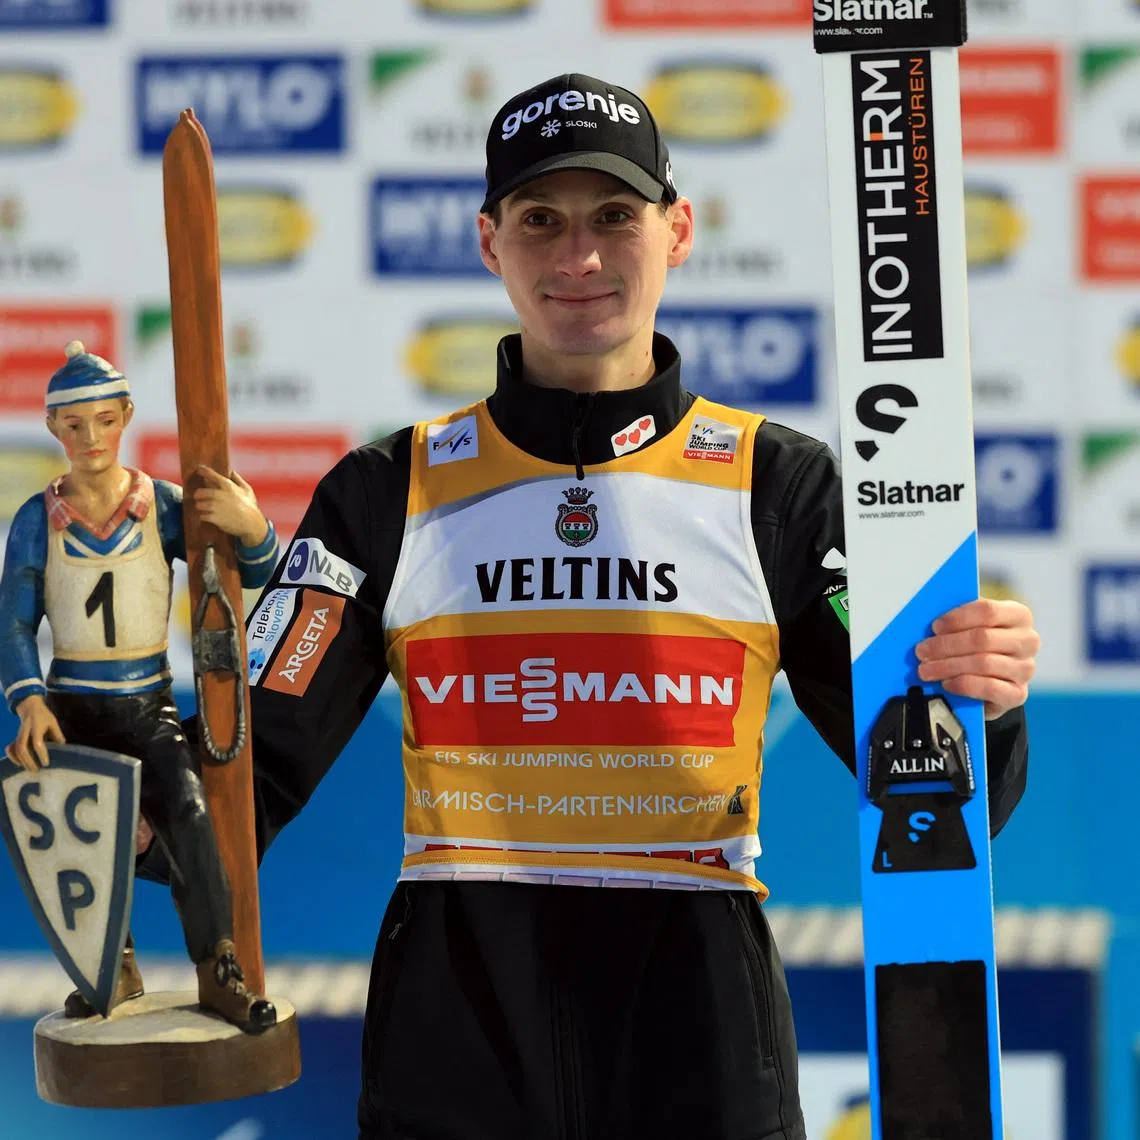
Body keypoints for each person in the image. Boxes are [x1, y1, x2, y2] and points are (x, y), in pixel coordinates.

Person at [170, 74, 1034, 1137]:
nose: (578, 259)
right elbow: (242, 777)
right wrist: (106, 747)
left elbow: (936, 792)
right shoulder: (385, 491)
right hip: (459, 1043)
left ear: (678, 229)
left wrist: (980, 699)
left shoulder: (781, 488)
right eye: (541, 221)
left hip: (698, 1036)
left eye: (613, 217)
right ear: (490, 243)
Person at [0, 341, 280, 1032]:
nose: (89, 438)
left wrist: (254, 531)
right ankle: (112, 964)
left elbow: (257, 573)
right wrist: (29, 699)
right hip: (71, 705)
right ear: (54, 430)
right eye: (73, 425)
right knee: (85, 833)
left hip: (147, 701)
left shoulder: (161, 506)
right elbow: (13, 622)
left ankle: (219, 967)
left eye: (102, 420)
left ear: (125, 415)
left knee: (188, 810)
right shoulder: (38, 519)